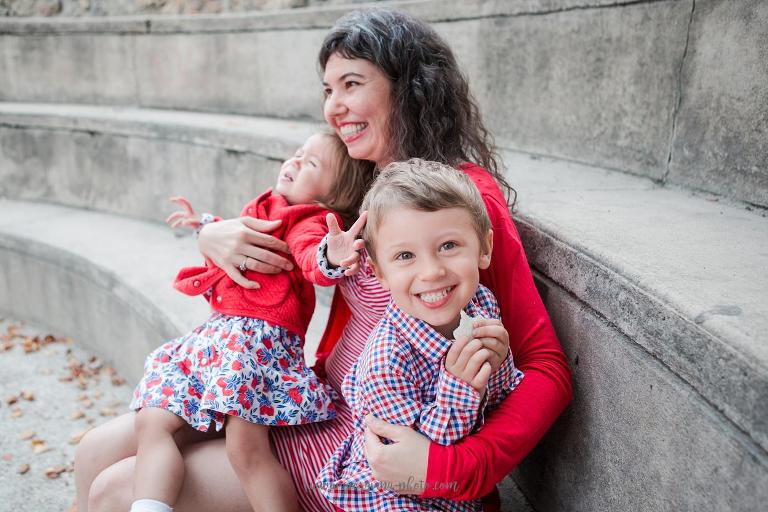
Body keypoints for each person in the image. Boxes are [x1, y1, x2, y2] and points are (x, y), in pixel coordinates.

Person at [74, 8, 572, 512]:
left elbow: (547, 367)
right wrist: (215, 235)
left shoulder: (457, 201)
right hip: (317, 400)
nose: (334, 107)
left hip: (364, 445)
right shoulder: (358, 184)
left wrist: (454, 469)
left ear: (410, 88)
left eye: (351, 84)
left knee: (115, 492)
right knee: (97, 450)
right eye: (328, 91)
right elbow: (290, 232)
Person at [126, 132, 372, 512]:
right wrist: (204, 224)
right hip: (220, 339)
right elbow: (243, 230)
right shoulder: (269, 203)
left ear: (331, 199)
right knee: (152, 420)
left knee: (245, 450)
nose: (294, 162)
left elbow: (312, 261)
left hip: (258, 350)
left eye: (311, 164)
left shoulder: (308, 220)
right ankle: (149, 505)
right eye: (296, 154)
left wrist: (331, 256)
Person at [316, 159, 525, 511]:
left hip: (455, 486)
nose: (431, 272)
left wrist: (500, 361)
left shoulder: (482, 304)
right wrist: (460, 387)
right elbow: (415, 459)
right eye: (405, 255)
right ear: (379, 273)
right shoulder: (385, 361)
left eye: (448, 246)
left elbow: (499, 398)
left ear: (484, 248)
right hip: (391, 494)